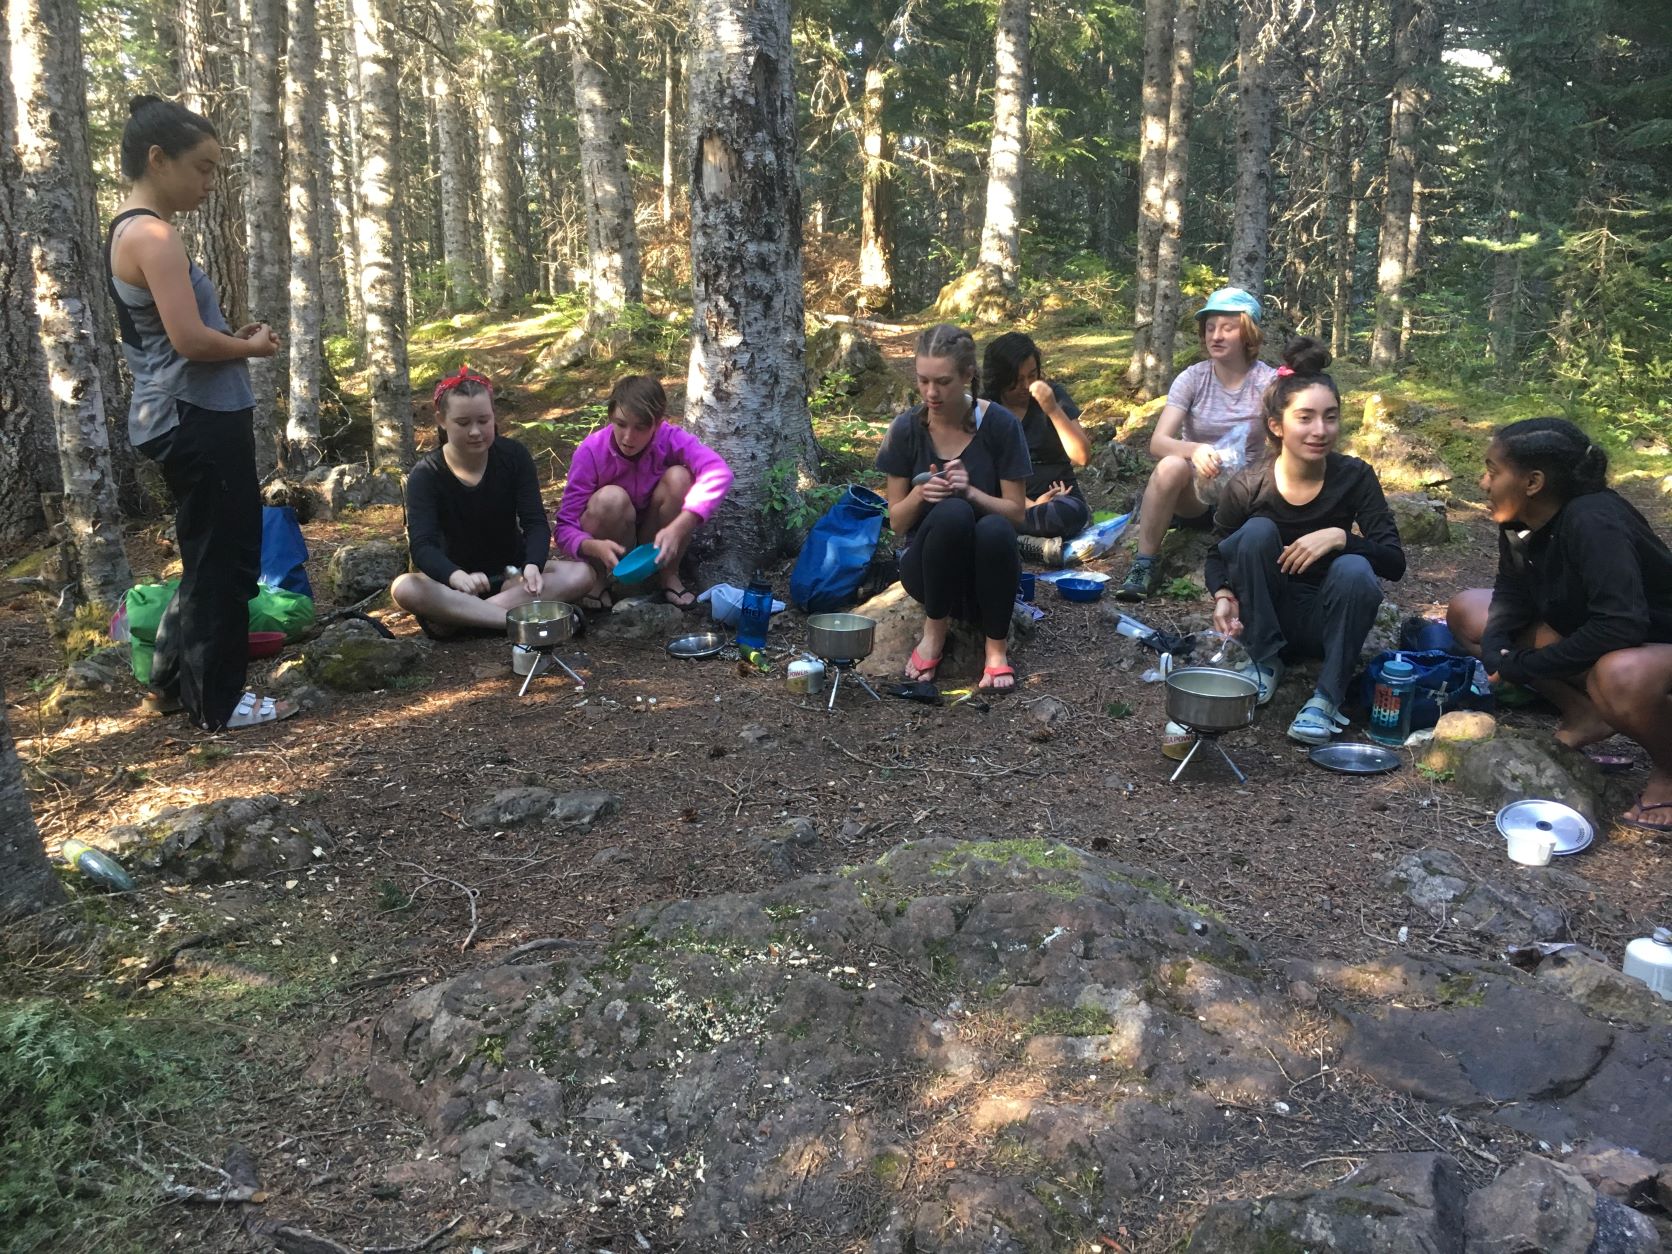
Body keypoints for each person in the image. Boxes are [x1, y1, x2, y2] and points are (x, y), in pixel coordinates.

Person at [107, 95, 294, 731]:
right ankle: (218, 703)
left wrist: (228, 339)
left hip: (177, 411)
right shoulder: (153, 235)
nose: (210, 182)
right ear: (158, 159)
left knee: (207, 553)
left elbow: (174, 334)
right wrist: (251, 348)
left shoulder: (132, 230)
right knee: (227, 559)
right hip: (194, 415)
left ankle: (169, 684)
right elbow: (188, 341)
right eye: (203, 167)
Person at [1446, 418, 1672, 831]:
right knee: (1469, 610)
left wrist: (1524, 665)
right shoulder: (1518, 519)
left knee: (1618, 675)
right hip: (1603, 637)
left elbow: (1621, 625)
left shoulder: (1593, 520)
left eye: (1493, 472)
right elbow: (1511, 591)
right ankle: (1585, 714)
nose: (1483, 482)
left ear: (1533, 482)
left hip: (1654, 645)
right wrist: (1497, 647)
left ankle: (1669, 771)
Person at [1205, 338, 1405, 745]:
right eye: (1305, 418)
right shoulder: (1249, 484)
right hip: (1264, 614)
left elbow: (1393, 562)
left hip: (1327, 619)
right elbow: (1217, 552)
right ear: (1276, 425)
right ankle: (1264, 660)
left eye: (1330, 417)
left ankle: (1327, 697)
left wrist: (1341, 537)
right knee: (1257, 531)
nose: (1320, 430)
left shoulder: (1354, 477)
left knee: (1354, 567)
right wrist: (1223, 594)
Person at [877, 324, 1031, 692]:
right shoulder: (906, 429)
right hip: (928, 573)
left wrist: (971, 491)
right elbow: (896, 523)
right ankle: (934, 632)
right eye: (923, 380)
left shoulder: (1000, 425)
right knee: (952, 514)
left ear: (967, 375)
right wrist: (921, 494)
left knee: (992, 526)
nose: (931, 392)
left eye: (943, 382)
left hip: (987, 576)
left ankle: (996, 650)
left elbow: (1017, 514)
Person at [390, 366, 591, 636]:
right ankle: (520, 622)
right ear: (441, 420)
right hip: (456, 585)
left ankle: (461, 618)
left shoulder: (514, 456)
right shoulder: (426, 474)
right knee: (404, 587)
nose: (475, 431)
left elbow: (534, 522)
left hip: (514, 577)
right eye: (463, 423)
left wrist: (533, 564)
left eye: (483, 421)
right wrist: (455, 576)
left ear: (494, 415)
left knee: (582, 574)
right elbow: (423, 545)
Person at [1119, 287, 1278, 601]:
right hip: (1196, 498)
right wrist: (1195, 450)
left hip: (1247, 498)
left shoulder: (1268, 382)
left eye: (1227, 328)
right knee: (1170, 466)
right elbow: (1158, 442)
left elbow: (1285, 442)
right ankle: (1143, 564)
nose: (1215, 336)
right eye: (1210, 328)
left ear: (1248, 334)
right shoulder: (1193, 378)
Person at [552, 375, 734, 611]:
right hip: (610, 539)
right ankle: (599, 578)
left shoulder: (669, 438)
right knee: (610, 498)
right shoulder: (591, 451)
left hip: (655, 537)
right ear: (610, 417)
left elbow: (719, 472)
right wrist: (591, 546)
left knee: (680, 477)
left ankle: (669, 575)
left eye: (640, 427)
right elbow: (564, 526)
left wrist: (681, 525)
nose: (628, 437)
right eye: (621, 424)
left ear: (657, 424)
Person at [982, 332, 1093, 566]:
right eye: (1016, 380)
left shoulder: (1053, 395)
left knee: (1068, 513)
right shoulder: (985, 409)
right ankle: (1025, 542)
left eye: (1032, 376)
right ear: (1000, 379)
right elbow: (982, 473)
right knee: (978, 511)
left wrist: (1052, 409)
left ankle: (1019, 540)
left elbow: (1082, 456)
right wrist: (1030, 505)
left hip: (1058, 497)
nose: (1026, 386)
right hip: (1008, 500)